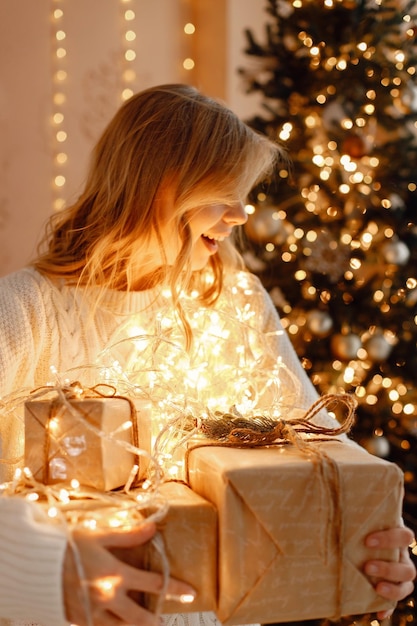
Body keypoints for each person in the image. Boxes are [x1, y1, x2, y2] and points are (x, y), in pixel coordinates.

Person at [0, 84, 414, 626]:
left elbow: (320, 457)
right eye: (225, 190)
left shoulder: (237, 302)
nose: (242, 214)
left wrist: (368, 540)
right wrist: (35, 566)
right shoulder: (26, 312)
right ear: (157, 183)